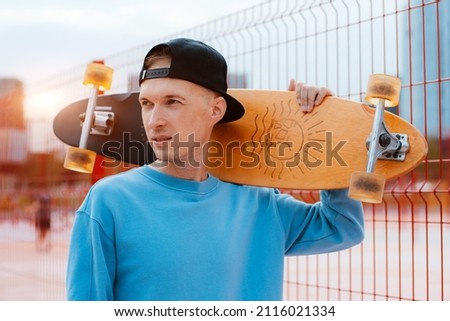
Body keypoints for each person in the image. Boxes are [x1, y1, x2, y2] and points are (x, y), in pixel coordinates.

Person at [66, 38, 364, 301]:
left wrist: (327, 126)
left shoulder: (258, 202)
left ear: (216, 110)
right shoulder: (110, 202)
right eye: (146, 103)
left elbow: (343, 227)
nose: (154, 120)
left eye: (173, 102)